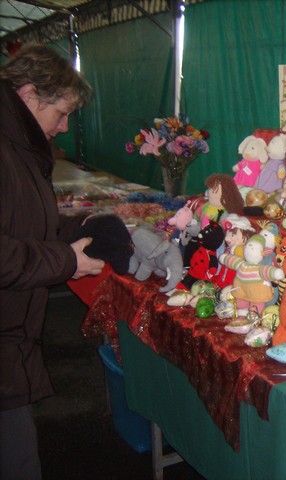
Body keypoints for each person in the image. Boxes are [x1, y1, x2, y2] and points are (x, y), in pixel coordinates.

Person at [0, 44, 106, 479]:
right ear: (28, 96)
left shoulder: (19, 147)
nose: (64, 127)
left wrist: (83, 228)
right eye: (60, 113)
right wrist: (63, 260)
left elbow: (21, 224)